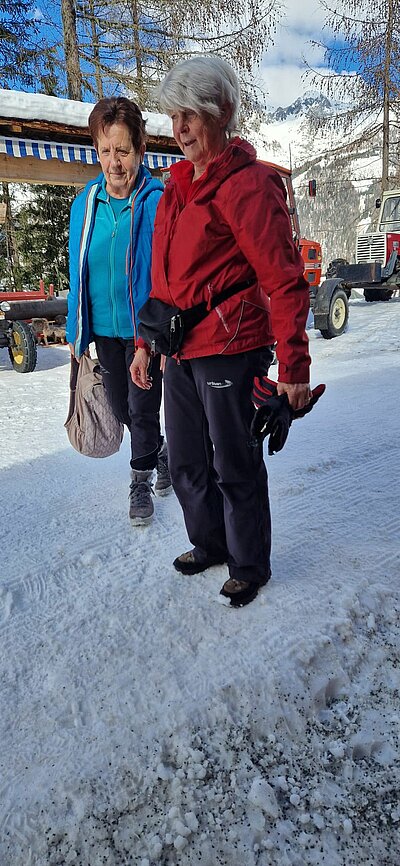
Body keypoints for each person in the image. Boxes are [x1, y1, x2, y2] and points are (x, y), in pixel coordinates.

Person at [130, 56, 312, 605]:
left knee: (234, 462)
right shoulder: (176, 187)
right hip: (179, 350)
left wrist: (295, 367)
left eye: (192, 115)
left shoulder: (250, 186)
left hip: (232, 348)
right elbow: (161, 277)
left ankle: (249, 564)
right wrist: (144, 344)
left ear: (222, 114)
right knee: (186, 460)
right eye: (174, 116)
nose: (180, 128)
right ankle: (208, 543)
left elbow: (284, 278)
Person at [66, 96, 171, 526]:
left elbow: (169, 273)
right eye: (105, 150)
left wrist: (163, 335)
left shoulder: (157, 200)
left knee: (143, 408)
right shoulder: (85, 205)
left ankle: (140, 480)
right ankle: (159, 450)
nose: (114, 162)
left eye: (122, 151)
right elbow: (77, 269)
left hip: (144, 330)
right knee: (121, 406)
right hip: (105, 331)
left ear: (140, 151)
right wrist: (76, 330)